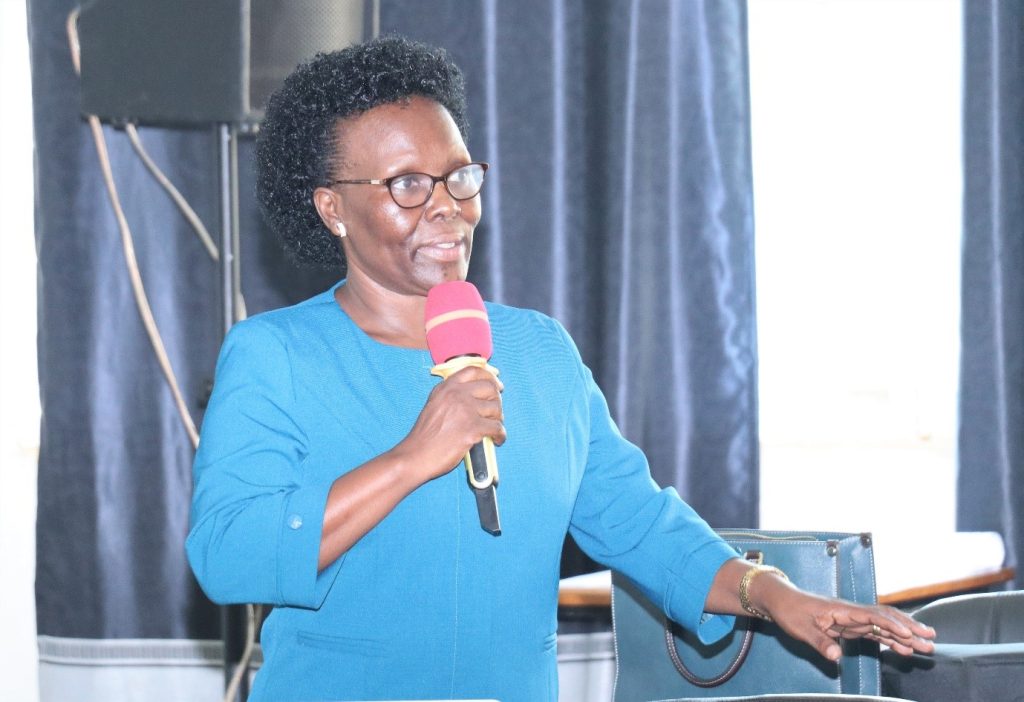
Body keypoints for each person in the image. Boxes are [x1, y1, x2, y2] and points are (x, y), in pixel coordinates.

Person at [186, 34, 935, 702]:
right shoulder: (276, 355)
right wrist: (415, 456)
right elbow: (230, 553)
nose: (447, 207)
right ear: (332, 208)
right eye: (407, 186)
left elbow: (637, 520)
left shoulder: (539, 351)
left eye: (458, 177)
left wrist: (772, 593)